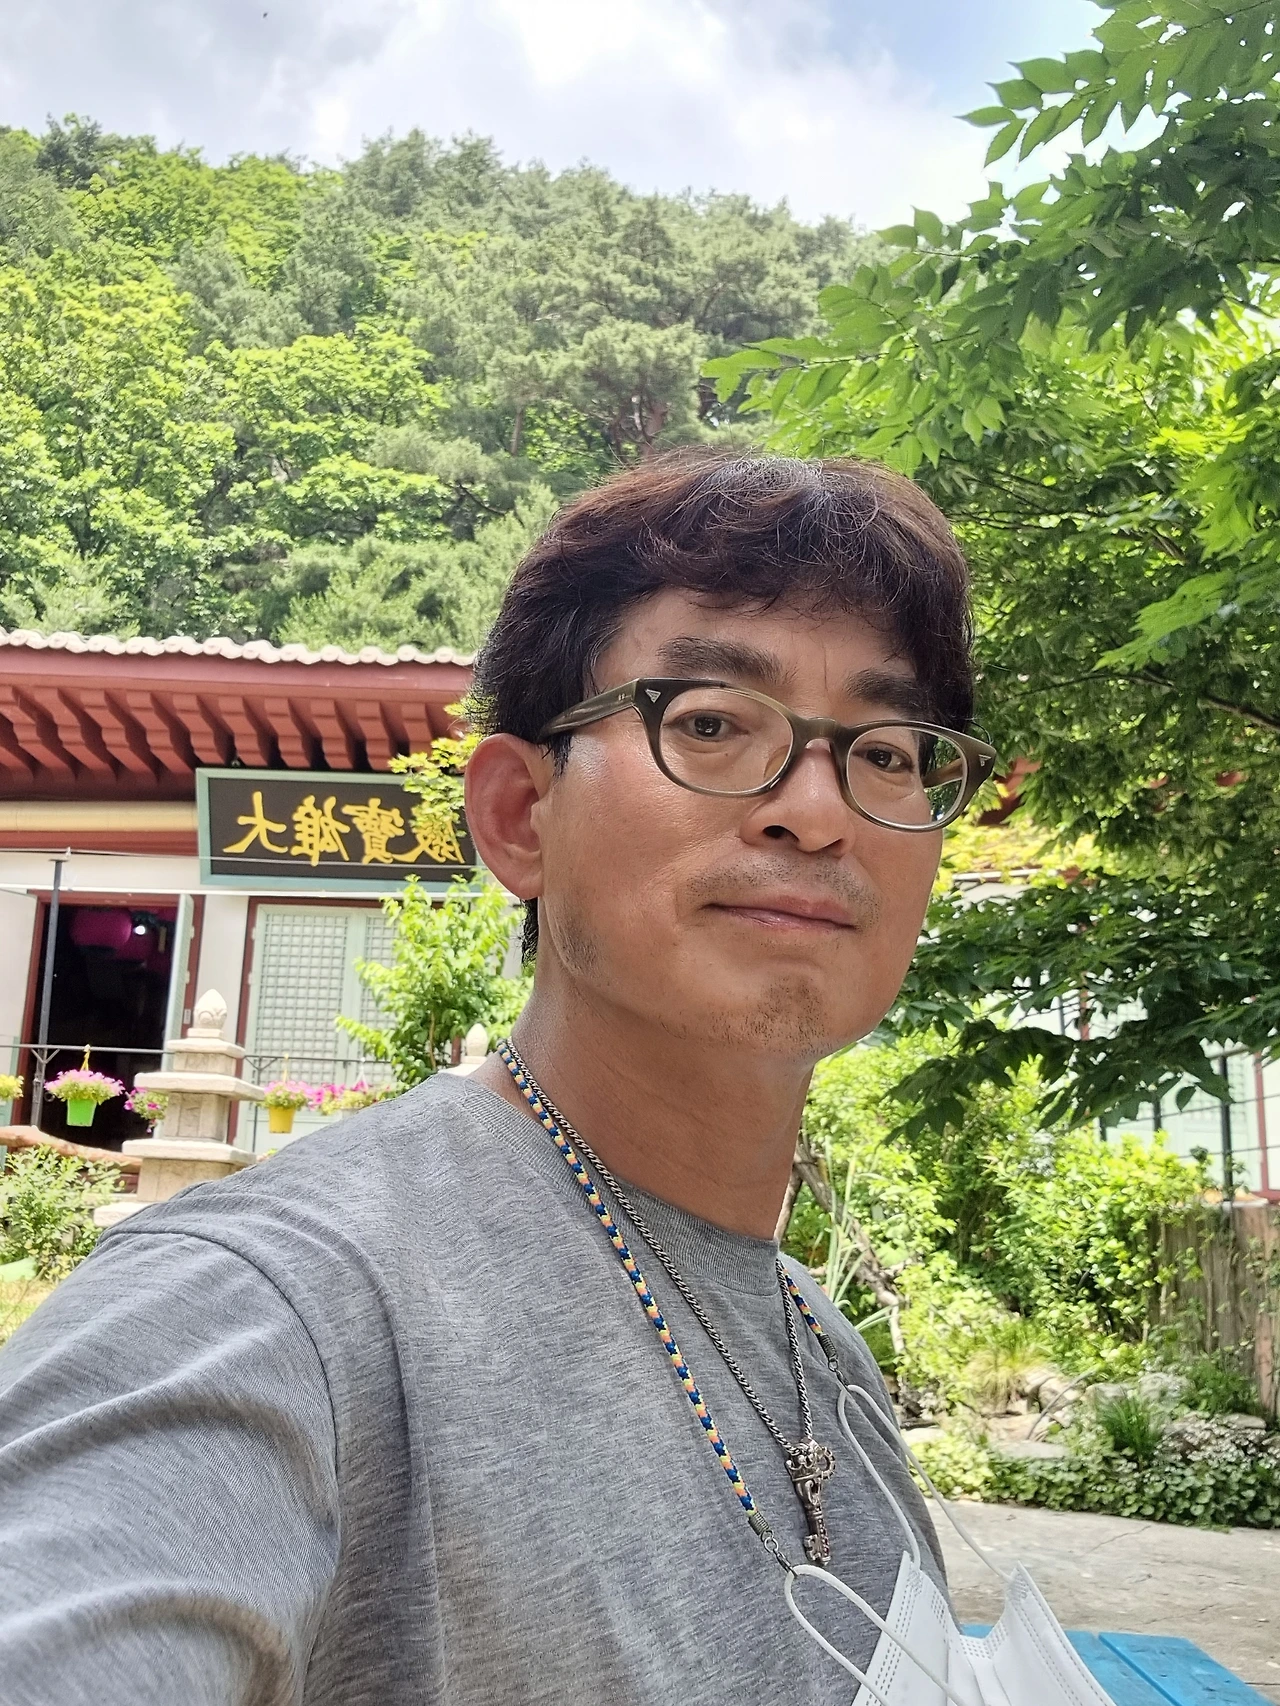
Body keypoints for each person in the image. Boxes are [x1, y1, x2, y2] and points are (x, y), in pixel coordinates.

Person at [0, 452, 995, 1705]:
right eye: (707, 722)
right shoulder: (272, 1309)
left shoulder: (820, 1340)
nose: (817, 809)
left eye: (888, 750)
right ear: (520, 815)